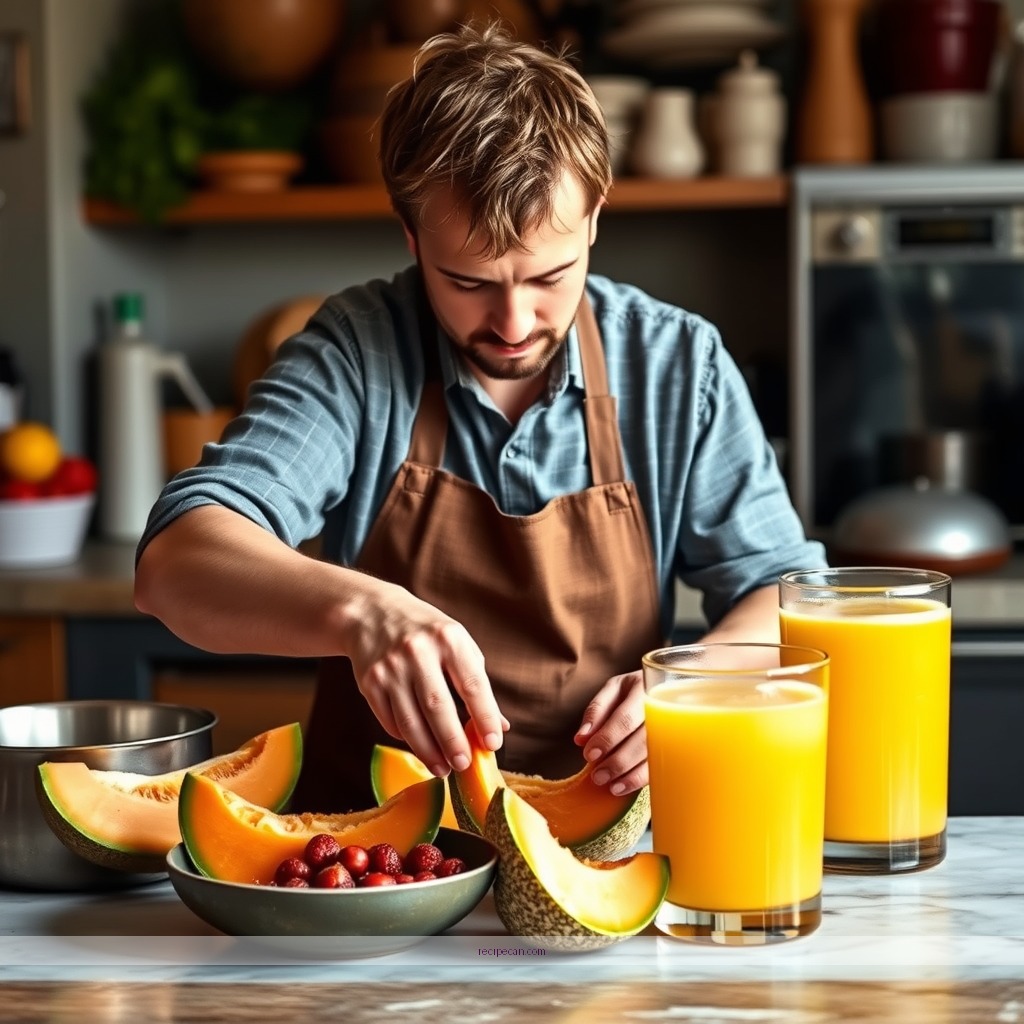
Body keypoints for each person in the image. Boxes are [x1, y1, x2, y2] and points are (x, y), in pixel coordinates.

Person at [134, 22, 827, 812]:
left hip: (605, 843)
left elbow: (787, 593)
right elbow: (173, 566)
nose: (511, 322)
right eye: (467, 282)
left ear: (596, 215)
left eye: (549, 276)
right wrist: (363, 612)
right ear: (411, 233)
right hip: (377, 853)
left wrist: (696, 682)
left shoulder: (677, 365)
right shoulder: (357, 352)